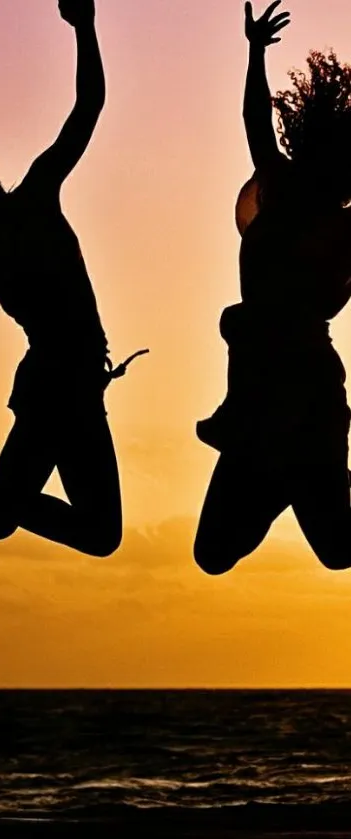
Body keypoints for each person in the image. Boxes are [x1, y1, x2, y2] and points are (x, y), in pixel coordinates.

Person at [0, 0, 147, 555]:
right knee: (91, 532)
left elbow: (88, 108)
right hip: (64, 384)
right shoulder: (25, 204)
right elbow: (89, 107)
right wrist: (85, 27)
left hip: (60, 382)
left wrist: (84, 27)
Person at [194, 1, 351, 574]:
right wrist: (255, 53)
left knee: (338, 552)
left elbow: (256, 124)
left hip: (304, 392)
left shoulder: (341, 222)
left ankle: (301, 476)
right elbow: (255, 120)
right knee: (212, 554)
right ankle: (294, 480)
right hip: (259, 395)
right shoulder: (280, 186)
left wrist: (256, 53)